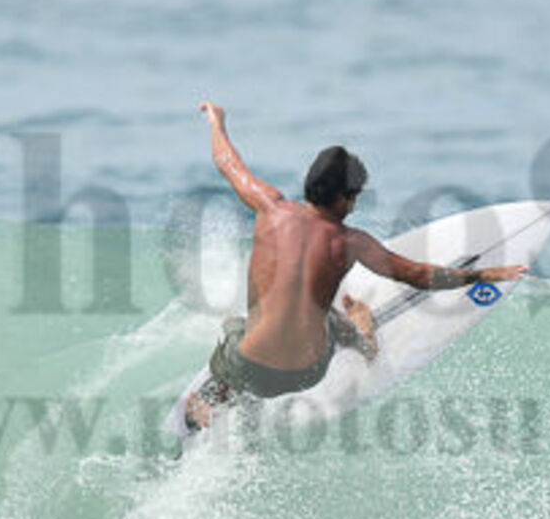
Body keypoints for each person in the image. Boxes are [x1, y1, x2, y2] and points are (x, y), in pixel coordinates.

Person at [187, 101, 528, 429]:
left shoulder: (269, 207)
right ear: (342, 198)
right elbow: (419, 276)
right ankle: (365, 341)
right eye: (354, 196)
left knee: (235, 327)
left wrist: (217, 122)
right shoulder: (352, 243)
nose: (354, 205)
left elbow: (226, 162)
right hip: (305, 374)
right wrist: (481, 274)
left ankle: (207, 403)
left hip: (249, 367)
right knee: (330, 318)